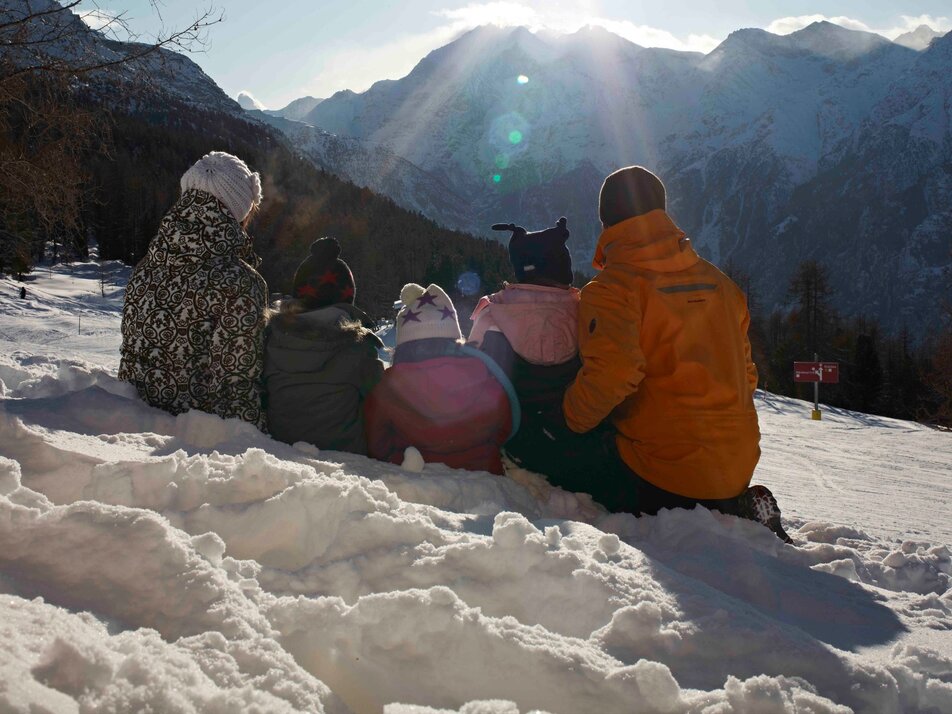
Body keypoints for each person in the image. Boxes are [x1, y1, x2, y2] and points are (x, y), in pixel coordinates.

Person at [561, 166, 791, 542]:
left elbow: (614, 374)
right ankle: (731, 504)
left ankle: (691, 499)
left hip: (662, 473)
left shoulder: (611, 289)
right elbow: (747, 375)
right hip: (737, 465)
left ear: (606, 222)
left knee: (574, 446)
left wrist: (567, 419)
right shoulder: (722, 286)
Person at [119, 151, 268, 428]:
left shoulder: (145, 267)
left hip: (129, 424)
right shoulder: (239, 283)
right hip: (192, 438)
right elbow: (236, 389)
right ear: (239, 209)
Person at [468, 217, 606, 490]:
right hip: (576, 436)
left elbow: (470, 374)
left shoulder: (492, 314)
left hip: (514, 439)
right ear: (563, 269)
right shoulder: (587, 314)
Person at [364, 283, 518, 474]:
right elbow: (504, 426)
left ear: (403, 346)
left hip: (414, 480)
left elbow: (376, 443)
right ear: (455, 339)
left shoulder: (388, 387)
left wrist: (400, 457)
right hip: (484, 477)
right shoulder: (483, 373)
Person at [263, 237, 384, 454]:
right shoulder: (358, 347)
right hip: (347, 459)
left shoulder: (271, 338)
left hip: (279, 454)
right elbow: (382, 398)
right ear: (347, 297)